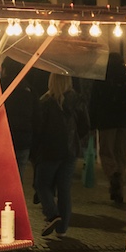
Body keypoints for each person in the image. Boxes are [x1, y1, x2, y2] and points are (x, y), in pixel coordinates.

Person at [31, 72, 88, 238]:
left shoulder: (45, 102)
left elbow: (38, 128)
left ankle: (52, 214)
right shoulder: (77, 100)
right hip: (70, 151)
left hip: (49, 150)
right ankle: (62, 229)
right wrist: (74, 138)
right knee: (64, 189)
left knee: (42, 184)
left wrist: (35, 151)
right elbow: (85, 126)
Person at [89, 52, 126, 207]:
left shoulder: (101, 80)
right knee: (120, 155)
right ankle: (119, 190)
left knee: (106, 153)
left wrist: (93, 123)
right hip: (124, 123)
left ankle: (113, 176)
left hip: (106, 123)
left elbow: (94, 103)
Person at [0, 58, 38, 195]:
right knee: (18, 180)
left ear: (5, 69)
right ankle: (14, 203)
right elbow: (36, 117)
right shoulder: (29, 89)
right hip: (23, 141)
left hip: (3, 140)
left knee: (1, 179)